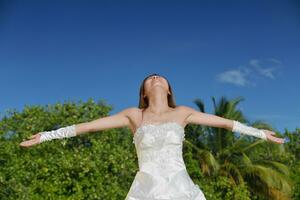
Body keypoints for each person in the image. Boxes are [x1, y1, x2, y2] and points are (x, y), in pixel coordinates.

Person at [19, 73, 285, 199]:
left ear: (168, 89)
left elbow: (226, 124)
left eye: (161, 77)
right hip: (146, 190)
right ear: (144, 92)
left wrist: (260, 133)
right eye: (150, 79)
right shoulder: (134, 116)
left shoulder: (182, 113)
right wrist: (45, 136)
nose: (156, 78)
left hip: (180, 188)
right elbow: (88, 126)